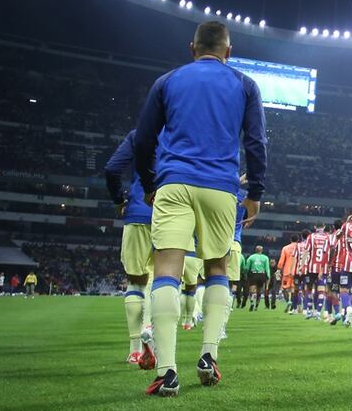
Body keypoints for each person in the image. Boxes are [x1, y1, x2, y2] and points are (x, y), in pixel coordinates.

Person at [132, 21, 267, 395]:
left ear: (192, 48)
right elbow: (256, 143)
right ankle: (209, 356)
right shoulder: (245, 84)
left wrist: (148, 184)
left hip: (174, 181)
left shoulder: (168, 81)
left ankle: (167, 370)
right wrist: (254, 191)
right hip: (221, 188)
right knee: (217, 267)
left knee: (166, 271)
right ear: (229, 50)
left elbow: (143, 140)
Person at [104, 129, 157, 367]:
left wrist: (118, 200)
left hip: (137, 211)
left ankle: (135, 351)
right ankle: (150, 324)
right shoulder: (182, 132)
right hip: (171, 214)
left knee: (136, 282)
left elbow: (112, 169)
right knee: (163, 279)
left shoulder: (138, 135)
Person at [303, 225, 333, 319]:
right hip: (322, 268)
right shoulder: (327, 237)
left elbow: (306, 251)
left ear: (315, 227)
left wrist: (302, 265)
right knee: (321, 291)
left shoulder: (311, 237)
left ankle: (309, 310)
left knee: (308, 290)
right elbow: (330, 252)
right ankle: (318, 312)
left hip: (311, 268)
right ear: (323, 227)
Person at [181, 245, 205, 331]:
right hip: (196, 254)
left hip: (182, 253)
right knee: (191, 289)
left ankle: (183, 321)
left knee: (183, 290)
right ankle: (188, 321)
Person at [277, 235, 299, 314]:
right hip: (296, 271)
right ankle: (293, 306)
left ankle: (288, 301)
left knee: (284, 289)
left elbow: (281, 260)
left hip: (287, 271)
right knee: (294, 289)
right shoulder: (299, 247)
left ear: (290, 239)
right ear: (298, 240)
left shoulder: (285, 248)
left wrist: (279, 268)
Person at [244, 245, 271, 311]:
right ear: (262, 250)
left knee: (252, 290)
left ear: (255, 250)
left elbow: (247, 268)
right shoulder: (265, 258)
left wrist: (245, 273)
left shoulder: (251, 257)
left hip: (253, 275)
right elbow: (267, 268)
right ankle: (256, 306)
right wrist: (268, 276)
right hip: (262, 275)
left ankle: (252, 302)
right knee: (259, 291)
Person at [294, 229, 311, 317]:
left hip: (298, 270)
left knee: (296, 290)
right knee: (306, 290)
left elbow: (295, 258)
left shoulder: (297, 245)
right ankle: (305, 309)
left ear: (301, 236)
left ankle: (295, 308)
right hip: (308, 270)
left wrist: (294, 269)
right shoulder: (311, 245)